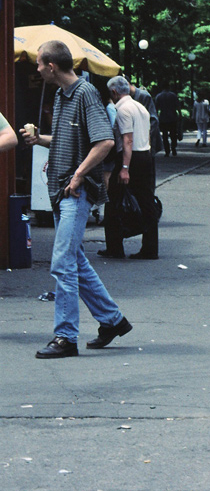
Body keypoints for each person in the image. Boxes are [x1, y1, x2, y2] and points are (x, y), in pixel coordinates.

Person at [23, 40, 132, 358]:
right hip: (63, 190)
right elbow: (67, 139)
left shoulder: (85, 93)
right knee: (75, 261)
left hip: (75, 190)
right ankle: (112, 321)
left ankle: (66, 337)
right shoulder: (61, 95)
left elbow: (104, 142)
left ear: (51, 66)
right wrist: (39, 138)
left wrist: (79, 175)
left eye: (39, 64)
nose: (37, 69)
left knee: (62, 263)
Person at [101, 76, 158, 260]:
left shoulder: (123, 110)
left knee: (112, 202)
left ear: (114, 92)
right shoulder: (140, 107)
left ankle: (114, 246)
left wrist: (124, 167)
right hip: (145, 155)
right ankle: (150, 247)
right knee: (146, 202)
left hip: (129, 157)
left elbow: (127, 140)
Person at [154, 87, 181, 156]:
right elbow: (178, 105)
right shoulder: (173, 95)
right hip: (172, 116)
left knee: (165, 135)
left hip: (163, 117)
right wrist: (180, 114)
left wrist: (156, 117)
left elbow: (156, 108)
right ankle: (173, 147)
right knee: (173, 133)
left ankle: (167, 150)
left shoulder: (159, 96)